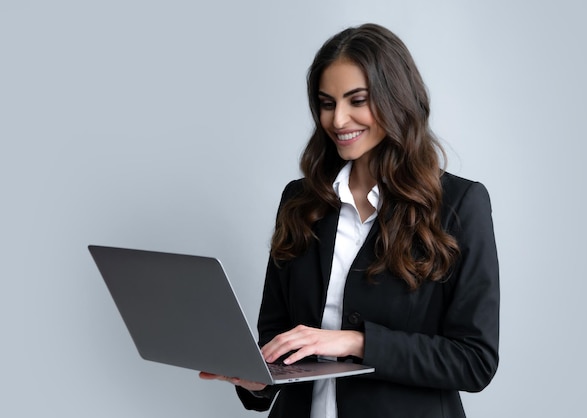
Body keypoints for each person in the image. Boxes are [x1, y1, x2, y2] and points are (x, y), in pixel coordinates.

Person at [200, 23, 499, 418]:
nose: (338, 120)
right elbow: (277, 337)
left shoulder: (459, 204)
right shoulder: (299, 200)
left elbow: (474, 360)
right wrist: (258, 379)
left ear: (397, 99)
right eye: (326, 103)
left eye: (357, 100)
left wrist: (355, 342)